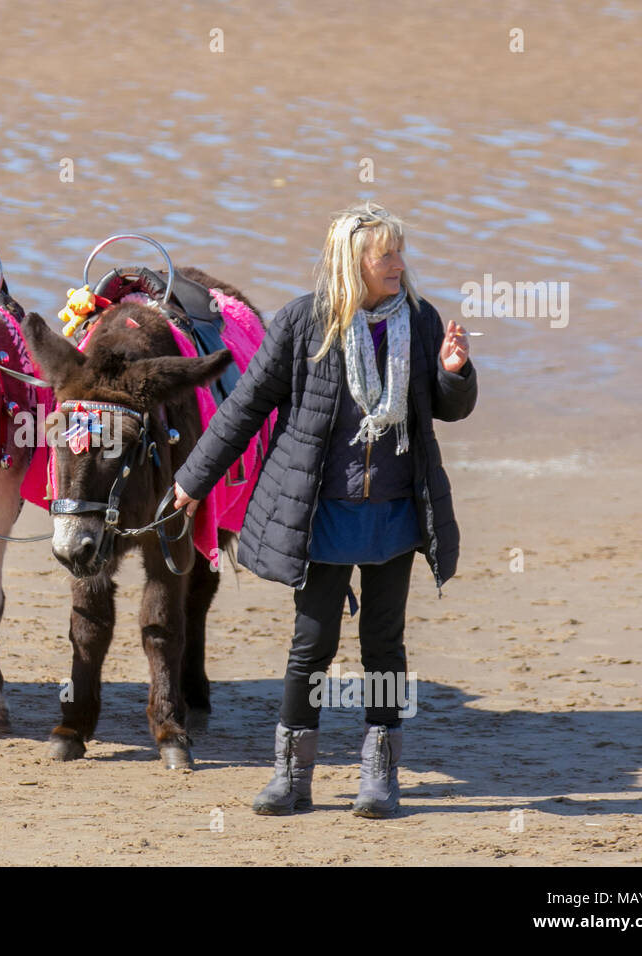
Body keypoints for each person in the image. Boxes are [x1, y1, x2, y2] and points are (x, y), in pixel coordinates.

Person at [173, 202, 477, 817]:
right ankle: (292, 776)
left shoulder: (419, 322)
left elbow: (447, 409)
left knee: (384, 647)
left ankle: (380, 776)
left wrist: (455, 373)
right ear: (353, 262)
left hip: (393, 514)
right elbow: (244, 408)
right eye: (384, 254)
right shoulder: (302, 324)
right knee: (310, 646)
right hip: (319, 515)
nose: (397, 264)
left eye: (399, 252)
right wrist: (191, 481)